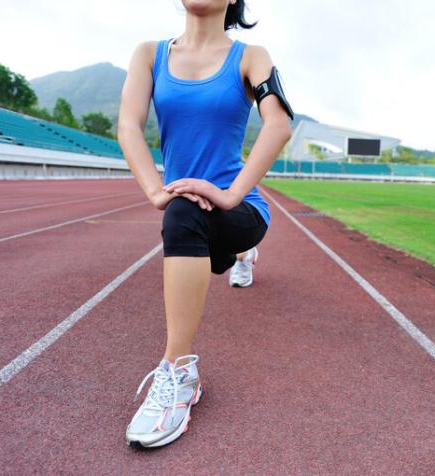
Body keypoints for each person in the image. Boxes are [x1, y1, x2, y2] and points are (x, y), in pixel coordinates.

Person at [117, 0, 293, 448]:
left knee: (186, 214)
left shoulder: (251, 57)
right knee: (181, 209)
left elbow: (277, 124)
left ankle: (180, 373)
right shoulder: (148, 54)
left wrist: (230, 194)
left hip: (240, 209)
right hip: (188, 211)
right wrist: (158, 189)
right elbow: (128, 125)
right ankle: (237, 257)